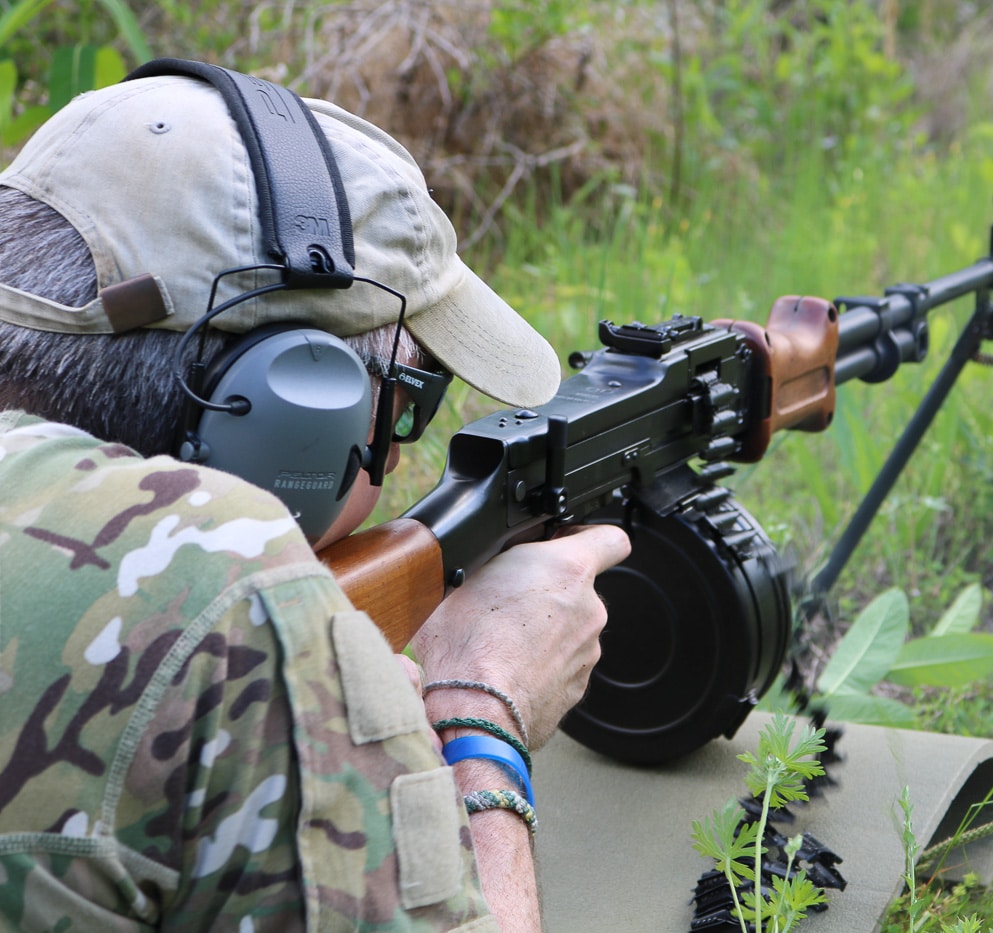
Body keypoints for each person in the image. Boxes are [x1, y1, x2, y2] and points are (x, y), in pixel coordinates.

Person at [0, 65, 630, 932]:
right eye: (404, 400)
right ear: (293, 412)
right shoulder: (233, 603)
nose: (403, 456)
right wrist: (483, 715)